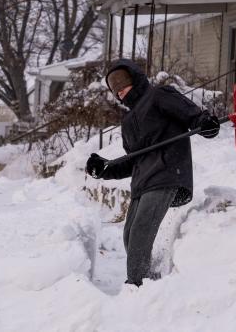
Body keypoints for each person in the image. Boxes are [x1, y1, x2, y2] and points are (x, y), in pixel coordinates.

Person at [85, 59, 220, 286]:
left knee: (140, 233)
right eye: (115, 90)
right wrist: (105, 169)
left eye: (123, 85)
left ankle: (136, 286)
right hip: (142, 183)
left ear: (135, 79)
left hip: (167, 173)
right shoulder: (128, 121)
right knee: (129, 236)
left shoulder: (160, 95)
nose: (120, 93)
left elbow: (190, 113)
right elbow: (133, 161)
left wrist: (204, 121)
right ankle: (151, 280)